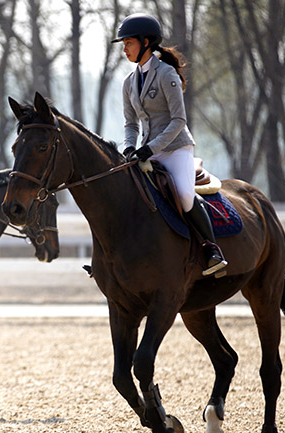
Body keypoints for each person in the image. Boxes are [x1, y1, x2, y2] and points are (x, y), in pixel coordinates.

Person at [112, 13, 227, 277]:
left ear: (146, 42)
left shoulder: (167, 74)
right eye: (124, 43)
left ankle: (211, 250)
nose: (124, 48)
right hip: (145, 151)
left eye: (128, 42)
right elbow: (130, 124)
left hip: (176, 148)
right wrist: (130, 147)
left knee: (185, 197)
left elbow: (178, 120)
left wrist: (150, 148)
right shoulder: (129, 82)